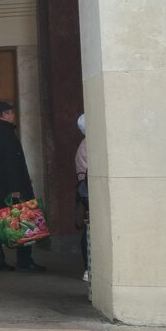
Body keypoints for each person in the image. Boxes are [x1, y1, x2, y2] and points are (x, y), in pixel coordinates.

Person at [0, 101, 46, 272]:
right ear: (4, 114)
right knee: (24, 221)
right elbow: (10, 163)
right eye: (11, 112)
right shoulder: (5, 133)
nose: (13, 114)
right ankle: (24, 260)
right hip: (10, 189)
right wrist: (15, 188)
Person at [75, 113, 89, 282]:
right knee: (89, 230)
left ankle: (88, 267)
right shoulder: (88, 145)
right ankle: (88, 267)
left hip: (86, 192)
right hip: (88, 192)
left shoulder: (84, 145)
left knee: (89, 229)